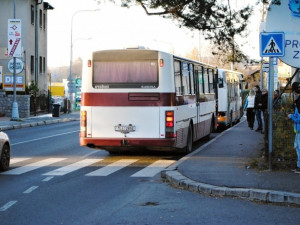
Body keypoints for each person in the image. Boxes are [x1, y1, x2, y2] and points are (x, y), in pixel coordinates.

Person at [288, 82, 300, 173]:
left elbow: (299, 117)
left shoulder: (299, 102)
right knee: (297, 146)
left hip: (299, 129)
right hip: (298, 130)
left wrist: (291, 116)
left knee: (298, 147)